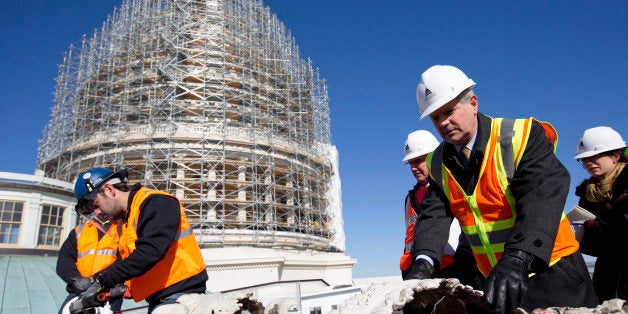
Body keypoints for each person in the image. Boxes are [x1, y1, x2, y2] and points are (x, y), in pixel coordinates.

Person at [404, 65, 598, 313]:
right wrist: (423, 262)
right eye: (436, 117)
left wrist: (517, 257)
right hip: (498, 283)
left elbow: (543, 195)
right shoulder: (438, 162)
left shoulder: (520, 136)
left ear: (473, 103)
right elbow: (433, 215)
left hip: (553, 274)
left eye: (449, 111)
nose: (444, 122)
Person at [73, 167, 208, 313]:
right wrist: (96, 283)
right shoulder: (124, 221)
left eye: (96, 205)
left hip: (182, 294)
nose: (97, 213)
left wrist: (101, 280)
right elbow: (128, 262)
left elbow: (149, 252)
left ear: (109, 190)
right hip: (160, 297)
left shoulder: (156, 202)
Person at [400, 130, 483, 289]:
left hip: (454, 269)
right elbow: (409, 235)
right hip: (416, 270)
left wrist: (465, 263)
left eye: (418, 161)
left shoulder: (454, 186)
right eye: (410, 163)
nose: (414, 168)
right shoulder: (410, 198)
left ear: (434, 156)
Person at [573, 126, 628, 302]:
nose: (589, 162)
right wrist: (588, 234)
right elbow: (591, 248)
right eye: (584, 159)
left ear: (616, 156)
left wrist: (610, 228)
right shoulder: (587, 196)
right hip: (607, 270)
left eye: (595, 156)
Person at [56, 213, 123, 313]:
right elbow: (64, 260)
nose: (98, 210)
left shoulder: (122, 230)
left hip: (109, 293)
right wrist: (76, 280)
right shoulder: (79, 231)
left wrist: (97, 280)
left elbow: (124, 260)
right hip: (79, 291)